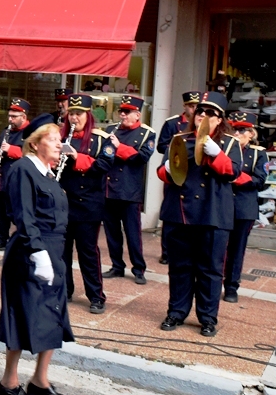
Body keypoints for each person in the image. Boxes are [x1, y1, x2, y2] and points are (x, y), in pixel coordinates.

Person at [0, 116, 73, 395]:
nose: (59, 144)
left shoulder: (48, 174)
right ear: (35, 143)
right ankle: (9, 381)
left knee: (53, 314)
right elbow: (24, 215)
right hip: (31, 252)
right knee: (22, 313)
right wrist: (38, 254)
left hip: (54, 251)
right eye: (52, 139)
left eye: (59, 139)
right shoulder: (23, 169)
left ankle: (40, 381)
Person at [156, 91, 242, 337]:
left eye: (210, 113)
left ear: (219, 119)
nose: (202, 115)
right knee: (180, 267)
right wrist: (167, 169)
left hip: (212, 212)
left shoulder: (230, 143)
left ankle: (207, 317)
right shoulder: (180, 138)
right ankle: (176, 311)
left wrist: (216, 154)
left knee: (210, 270)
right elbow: (163, 172)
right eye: (200, 111)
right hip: (181, 212)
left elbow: (234, 173)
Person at [58, 93, 116, 311]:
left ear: (88, 115)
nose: (74, 118)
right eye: (71, 114)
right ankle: (64, 290)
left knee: (88, 252)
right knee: (62, 251)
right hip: (64, 201)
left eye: (79, 114)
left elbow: (105, 165)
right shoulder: (60, 136)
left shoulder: (101, 139)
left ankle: (96, 296)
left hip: (88, 203)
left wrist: (77, 157)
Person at [102, 95, 156, 284]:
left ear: (137, 115)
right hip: (109, 188)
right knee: (112, 232)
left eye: (127, 112)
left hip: (130, 190)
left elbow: (142, 158)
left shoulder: (147, 134)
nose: (123, 115)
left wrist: (119, 147)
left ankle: (138, 268)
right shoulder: (110, 130)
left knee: (133, 233)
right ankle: (117, 265)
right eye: (121, 111)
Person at [223, 110, 268, 304]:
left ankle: (231, 286)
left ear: (251, 133)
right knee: (215, 246)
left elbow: (260, 180)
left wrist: (236, 177)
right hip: (222, 204)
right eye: (233, 129)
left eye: (241, 130)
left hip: (243, 206)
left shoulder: (258, 153)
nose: (236, 134)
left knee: (236, 249)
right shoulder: (223, 147)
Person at [156, 91, 201, 264]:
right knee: (171, 212)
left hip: (193, 172)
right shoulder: (172, 123)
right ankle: (166, 252)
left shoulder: (202, 124)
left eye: (196, 106)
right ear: (185, 106)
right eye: (191, 106)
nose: (194, 109)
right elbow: (161, 145)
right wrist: (175, 150)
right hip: (174, 169)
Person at [0, 98, 31, 251]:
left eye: (14, 116)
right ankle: (1, 239)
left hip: (19, 180)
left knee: (18, 214)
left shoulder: (30, 133)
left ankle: (23, 241)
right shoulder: (6, 131)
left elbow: (31, 154)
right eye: (9, 116)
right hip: (2, 178)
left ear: (23, 117)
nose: (10, 119)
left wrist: (10, 149)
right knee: (2, 213)